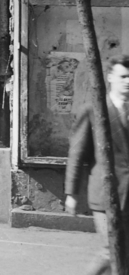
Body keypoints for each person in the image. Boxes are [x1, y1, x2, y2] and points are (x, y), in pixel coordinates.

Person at [67, 54, 129, 275]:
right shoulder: (94, 110)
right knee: (111, 251)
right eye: (123, 76)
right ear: (111, 77)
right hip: (105, 194)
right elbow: (77, 153)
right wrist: (71, 193)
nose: (128, 81)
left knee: (124, 254)